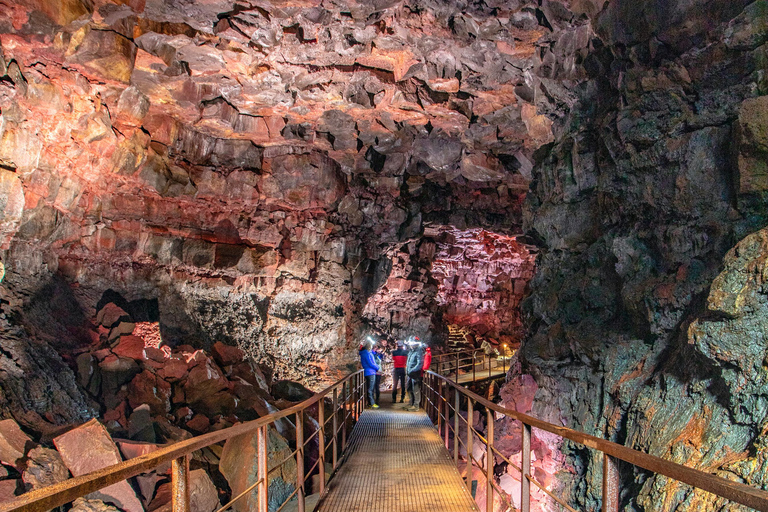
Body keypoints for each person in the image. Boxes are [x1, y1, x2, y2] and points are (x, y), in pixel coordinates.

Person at [359, 338, 380, 408]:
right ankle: (371, 403)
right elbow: (370, 363)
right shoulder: (366, 353)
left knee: (370, 388)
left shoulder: (365, 353)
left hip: (369, 372)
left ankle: (370, 403)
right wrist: (377, 367)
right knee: (370, 388)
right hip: (370, 372)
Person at [405, 337, 425, 411]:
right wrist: (408, 371)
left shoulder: (418, 351)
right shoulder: (411, 351)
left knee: (415, 389)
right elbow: (408, 362)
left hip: (415, 374)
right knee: (409, 388)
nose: (410, 345)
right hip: (410, 374)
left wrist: (412, 371)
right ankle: (411, 403)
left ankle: (416, 406)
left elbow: (420, 363)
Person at [372, 341, 384, 406]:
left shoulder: (378, 355)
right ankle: (374, 399)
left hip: (377, 372)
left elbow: (380, 359)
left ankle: (376, 399)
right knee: (375, 386)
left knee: (376, 386)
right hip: (375, 371)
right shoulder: (374, 355)